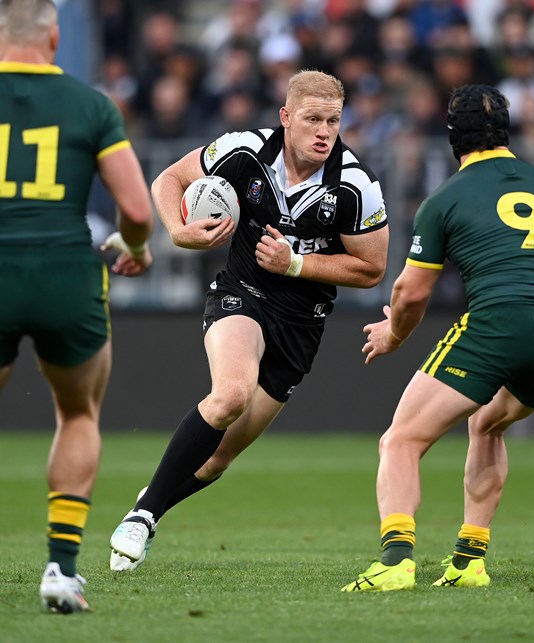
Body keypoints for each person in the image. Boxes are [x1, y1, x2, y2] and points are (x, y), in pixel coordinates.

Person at [108, 69, 389, 572]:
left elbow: (372, 268)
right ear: (286, 117)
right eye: (312, 119)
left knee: (217, 460)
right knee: (230, 395)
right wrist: (177, 230)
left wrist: (296, 264)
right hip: (242, 295)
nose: (324, 132)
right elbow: (169, 179)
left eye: (333, 121)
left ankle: (149, 503)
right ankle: (142, 518)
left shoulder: (355, 186)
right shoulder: (244, 150)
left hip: (301, 326)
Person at [341, 84, 534, 592]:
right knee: (488, 424)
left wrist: (394, 335)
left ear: (452, 137)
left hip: (499, 325)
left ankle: (396, 561)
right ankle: (468, 561)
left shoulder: (446, 198)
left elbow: (411, 292)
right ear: (507, 131)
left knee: (401, 440)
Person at [0, 0, 154, 613]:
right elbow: (136, 211)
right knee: (78, 414)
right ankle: (61, 571)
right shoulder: (91, 105)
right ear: (55, 38)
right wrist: (135, 247)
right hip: (66, 274)